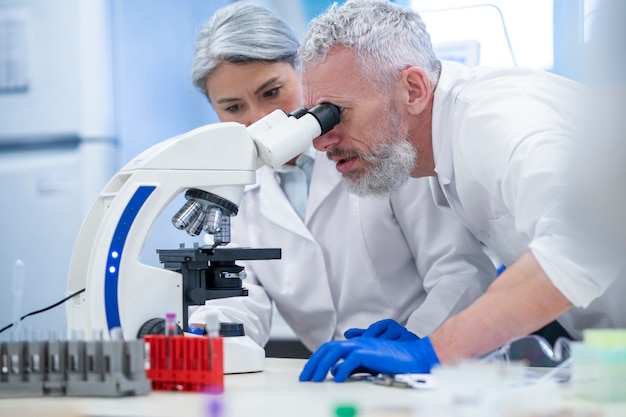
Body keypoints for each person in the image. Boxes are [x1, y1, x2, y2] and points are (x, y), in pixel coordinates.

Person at [296, 0, 626, 382]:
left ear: (413, 90)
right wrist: (423, 335)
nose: (322, 143)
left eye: (335, 112)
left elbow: (585, 243)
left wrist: (437, 349)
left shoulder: (496, 121)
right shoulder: (438, 145)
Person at [186, 1, 497, 355]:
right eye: (233, 107)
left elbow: (459, 272)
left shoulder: (379, 148)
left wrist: (419, 344)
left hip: (435, 366)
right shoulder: (234, 190)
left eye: (272, 92)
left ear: (305, 74)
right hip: (335, 374)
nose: (258, 119)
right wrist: (211, 336)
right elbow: (241, 296)